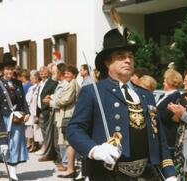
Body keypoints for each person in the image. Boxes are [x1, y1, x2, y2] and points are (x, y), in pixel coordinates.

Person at [67, 28, 177, 180]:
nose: (127, 60)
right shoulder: (93, 92)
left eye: (130, 56)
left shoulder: (146, 95)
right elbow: (74, 129)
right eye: (120, 56)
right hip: (108, 174)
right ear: (107, 62)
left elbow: (160, 139)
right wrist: (94, 149)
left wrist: (170, 173)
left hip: (147, 174)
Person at [0, 52, 30, 181]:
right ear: (2, 70)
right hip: (2, 118)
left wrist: (27, 113)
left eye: (11, 68)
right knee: (0, 144)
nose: (9, 71)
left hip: (16, 119)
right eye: (7, 69)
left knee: (15, 144)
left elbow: (23, 100)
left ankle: (12, 172)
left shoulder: (18, 83)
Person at [156, 68, 183, 150]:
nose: (163, 81)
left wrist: (153, 111)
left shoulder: (176, 96)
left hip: (167, 134)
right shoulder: (163, 95)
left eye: (165, 79)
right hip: (159, 132)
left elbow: (167, 116)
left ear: (170, 81)